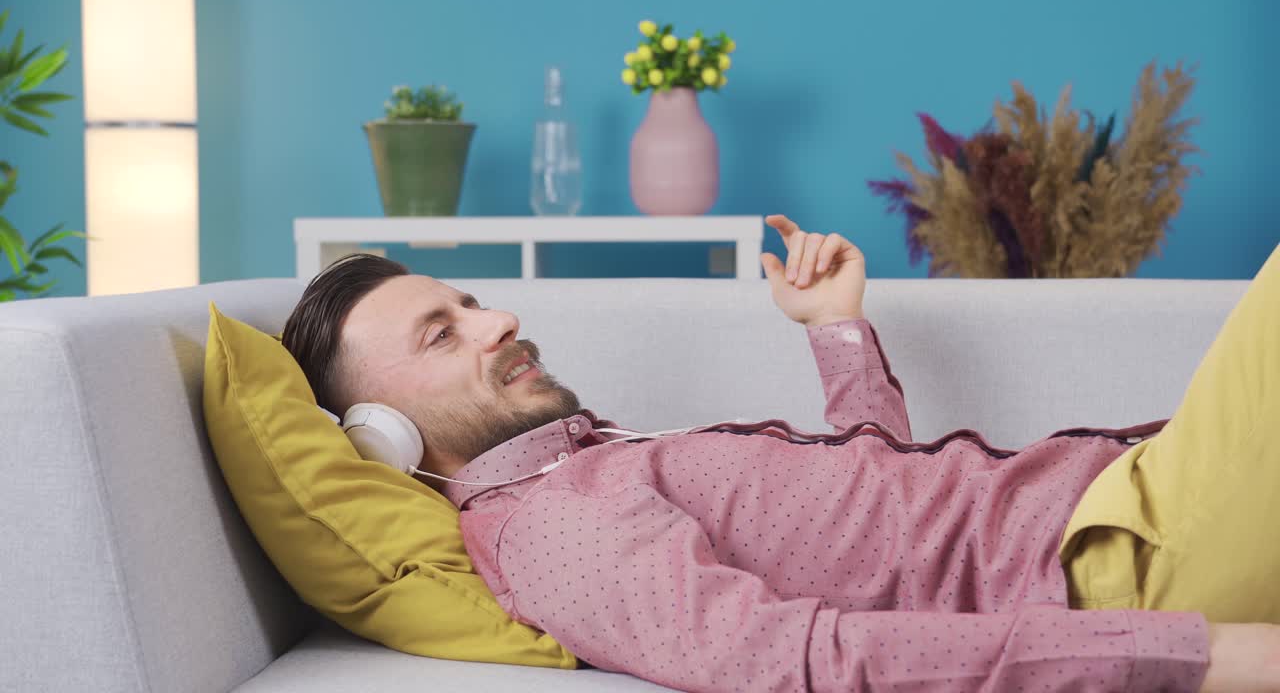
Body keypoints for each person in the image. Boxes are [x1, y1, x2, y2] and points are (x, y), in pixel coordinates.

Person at [281, 215, 1280, 692]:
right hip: (1125, 557)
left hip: (1129, 502)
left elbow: (884, 514)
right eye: (441, 335)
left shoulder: (587, 464)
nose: (497, 318)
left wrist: (834, 330)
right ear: (381, 440)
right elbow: (801, 662)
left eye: (468, 303)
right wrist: (1190, 655)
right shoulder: (556, 530)